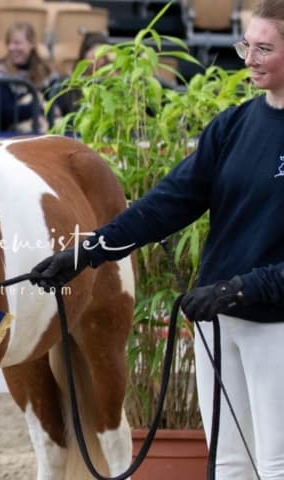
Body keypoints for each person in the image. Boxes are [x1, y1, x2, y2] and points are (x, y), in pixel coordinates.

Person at [31, 0, 284, 478]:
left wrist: (243, 288)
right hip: (219, 316)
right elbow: (170, 202)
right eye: (246, 45)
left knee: (276, 460)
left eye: (264, 48)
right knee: (228, 460)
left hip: (275, 323)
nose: (248, 58)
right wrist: (89, 250)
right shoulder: (233, 126)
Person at [0, 21, 57, 132]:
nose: (11, 48)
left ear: (31, 44)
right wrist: (38, 109)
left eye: (17, 43)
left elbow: (58, 106)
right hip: (13, 133)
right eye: (9, 43)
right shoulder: (0, 71)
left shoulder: (46, 71)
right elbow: (6, 112)